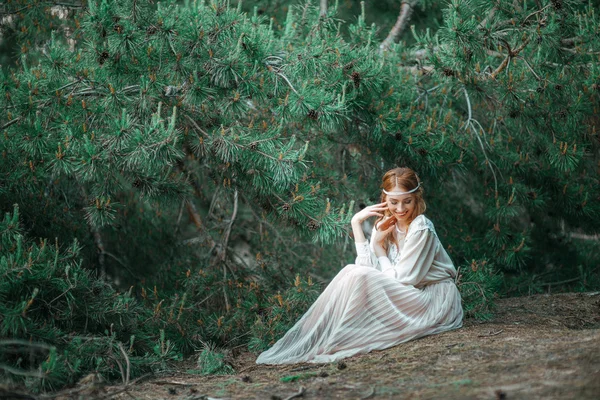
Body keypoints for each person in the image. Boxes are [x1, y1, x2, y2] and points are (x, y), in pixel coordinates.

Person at [255, 167, 463, 364]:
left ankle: (326, 334)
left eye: (407, 201)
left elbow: (404, 279)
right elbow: (367, 268)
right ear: (385, 200)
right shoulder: (386, 226)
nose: (400, 209)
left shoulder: (421, 227)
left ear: (416, 198)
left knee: (356, 274)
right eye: (394, 202)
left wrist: (379, 249)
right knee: (351, 271)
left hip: (432, 298)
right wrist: (357, 225)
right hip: (408, 297)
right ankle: (319, 333)